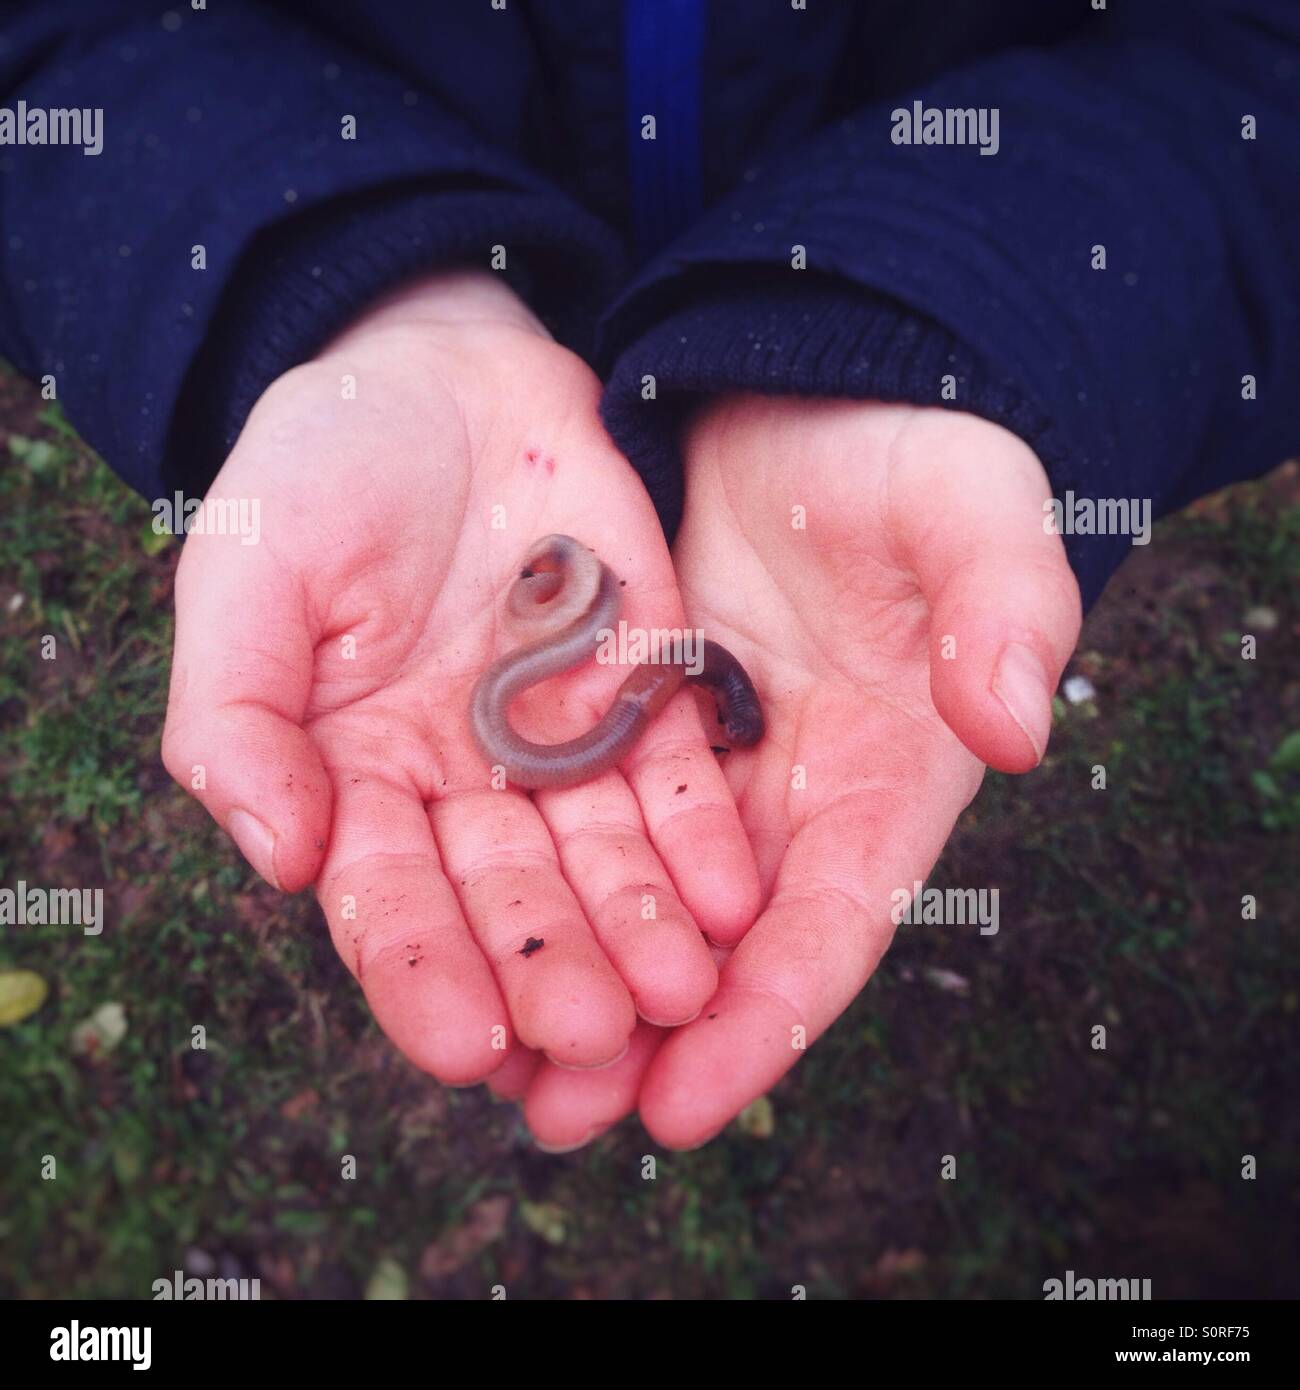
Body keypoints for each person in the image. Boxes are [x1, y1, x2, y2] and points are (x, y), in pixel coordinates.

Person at [1, 0, 1296, 1152]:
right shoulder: (597, 637)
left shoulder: (640, 658)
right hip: (496, 285)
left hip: (814, 272)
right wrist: (342, 287)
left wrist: (932, 322)